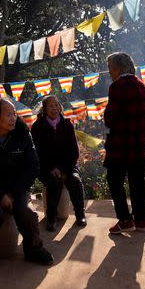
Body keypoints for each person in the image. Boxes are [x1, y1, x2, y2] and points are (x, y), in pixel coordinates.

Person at [0, 98, 53, 278]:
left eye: (14, 114)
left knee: (25, 213)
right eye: (8, 115)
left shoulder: (22, 133)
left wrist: (13, 193)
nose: (13, 118)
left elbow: (33, 166)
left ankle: (33, 249)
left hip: (16, 189)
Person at [103, 52, 145, 235]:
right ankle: (141, 220)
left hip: (120, 145)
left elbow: (111, 118)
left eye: (110, 69)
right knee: (138, 182)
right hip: (139, 146)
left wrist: (106, 118)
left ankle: (124, 220)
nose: (109, 73)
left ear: (117, 68)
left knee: (114, 180)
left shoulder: (117, 87)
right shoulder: (143, 87)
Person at [31, 95, 87, 231]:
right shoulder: (38, 126)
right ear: (44, 109)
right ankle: (51, 218)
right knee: (53, 181)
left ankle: (80, 214)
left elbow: (74, 152)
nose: (54, 108)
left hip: (68, 166)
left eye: (56, 105)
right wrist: (52, 168)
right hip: (46, 168)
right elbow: (38, 152)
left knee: (75, 179)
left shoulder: (67, 125)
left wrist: (63, 169)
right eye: (51, 106)